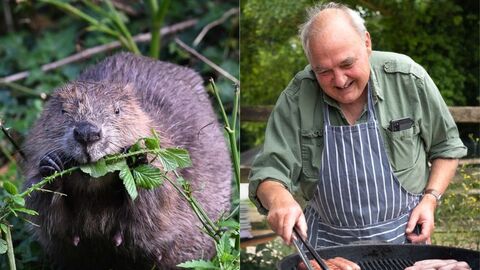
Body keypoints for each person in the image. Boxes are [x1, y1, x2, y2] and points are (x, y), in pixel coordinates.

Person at [248, 2, 467, 250]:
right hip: (328, 248)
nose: (340, 80)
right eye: (324, 71)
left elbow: (447, 148)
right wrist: (279, 199)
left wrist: (430, 199)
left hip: (406, 240)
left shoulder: (408, 78)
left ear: (367, 43)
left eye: (346, 64)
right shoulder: (297, 97)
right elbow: (268, 173)